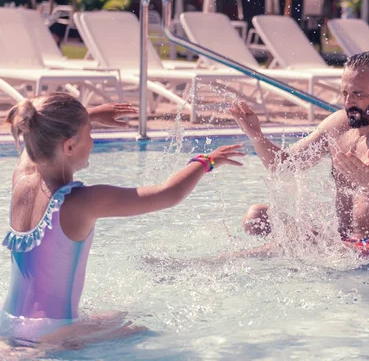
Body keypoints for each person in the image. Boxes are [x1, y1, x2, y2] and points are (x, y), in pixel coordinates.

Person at [2, 94, 244, 351]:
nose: (93, 141)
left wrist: (88, 116)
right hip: (51, 337)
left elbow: (41, 136)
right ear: (69, 146)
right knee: (144, 330)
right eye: (90, 133)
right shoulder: (83, 202)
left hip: (7, 323)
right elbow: (167, 194)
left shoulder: (21, 180)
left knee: (117, 315)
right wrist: (206, 161)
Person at [229, 51, 369, 263]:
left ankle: (211, 266)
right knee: (256, 217)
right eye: (345, 93)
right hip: (343, 244)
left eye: (358, 94)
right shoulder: (338, 125)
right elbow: (284, 166)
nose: (349, 102)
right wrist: (257, 136)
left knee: (275, 252)